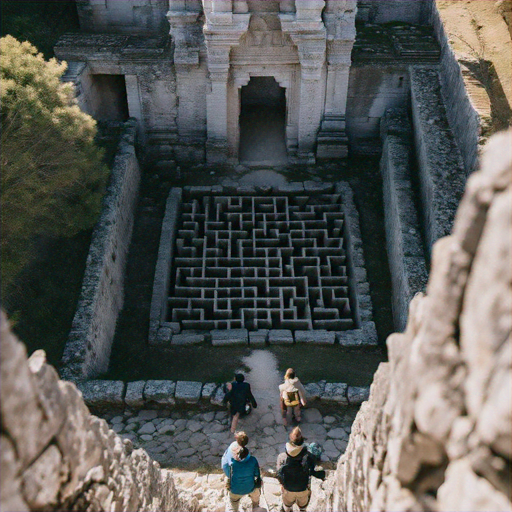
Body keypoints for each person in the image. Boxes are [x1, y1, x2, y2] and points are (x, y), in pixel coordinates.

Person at [276, 427, 326, 512]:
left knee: (287, 506)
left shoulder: (282, 457)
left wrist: (282, 484)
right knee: (303, 508)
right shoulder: (308, 457)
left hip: (288, 489)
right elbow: (313, 471)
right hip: (303, 488)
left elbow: (279, 474)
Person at [222, 445, 262, 512]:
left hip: (235, 490)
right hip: (250, 488)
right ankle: (255, 506)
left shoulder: (231, 462)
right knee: (256, 495)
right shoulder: (253, 460)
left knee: (233, 501)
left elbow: (227, 473)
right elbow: (257, 474)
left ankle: (234, 510)